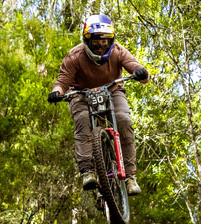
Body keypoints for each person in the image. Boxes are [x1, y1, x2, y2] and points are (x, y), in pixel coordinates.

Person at [48, 14, 149, 195]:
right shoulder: (75, 56)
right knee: (83, 119)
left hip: (112, 90)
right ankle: (87, 171)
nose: (101, 46)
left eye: (105, 41)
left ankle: (130, 177)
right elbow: (62, 80)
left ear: (111, 40)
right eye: (96, 42)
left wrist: (140, 72)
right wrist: (57, 92)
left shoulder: (119, 51)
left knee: (123, 120)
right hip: (81, 93)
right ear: (87, 40)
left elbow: (136, 67)